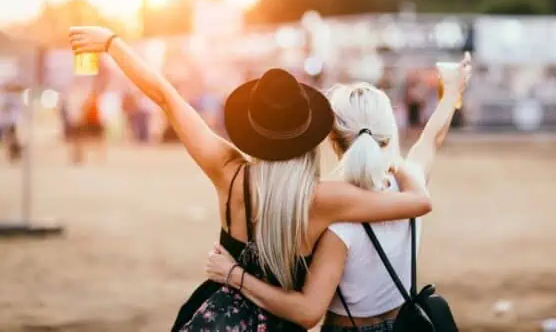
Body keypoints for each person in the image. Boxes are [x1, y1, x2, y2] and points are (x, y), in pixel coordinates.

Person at [69, 26, 433, 331]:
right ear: (310, 136)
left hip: (214, 317)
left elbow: (166, 97)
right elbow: (419, 202)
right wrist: (395, 158)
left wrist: (112, 44)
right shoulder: (324, 199)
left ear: (252, 130)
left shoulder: (228, 172)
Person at [204, 55, 471, 331]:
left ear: (332, 140)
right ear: (388, 133)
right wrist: (452, 90)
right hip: (406, 324)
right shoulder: (408, 184)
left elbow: (308, 310)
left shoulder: (336, 217)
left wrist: (234, 275)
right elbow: (432, 138)